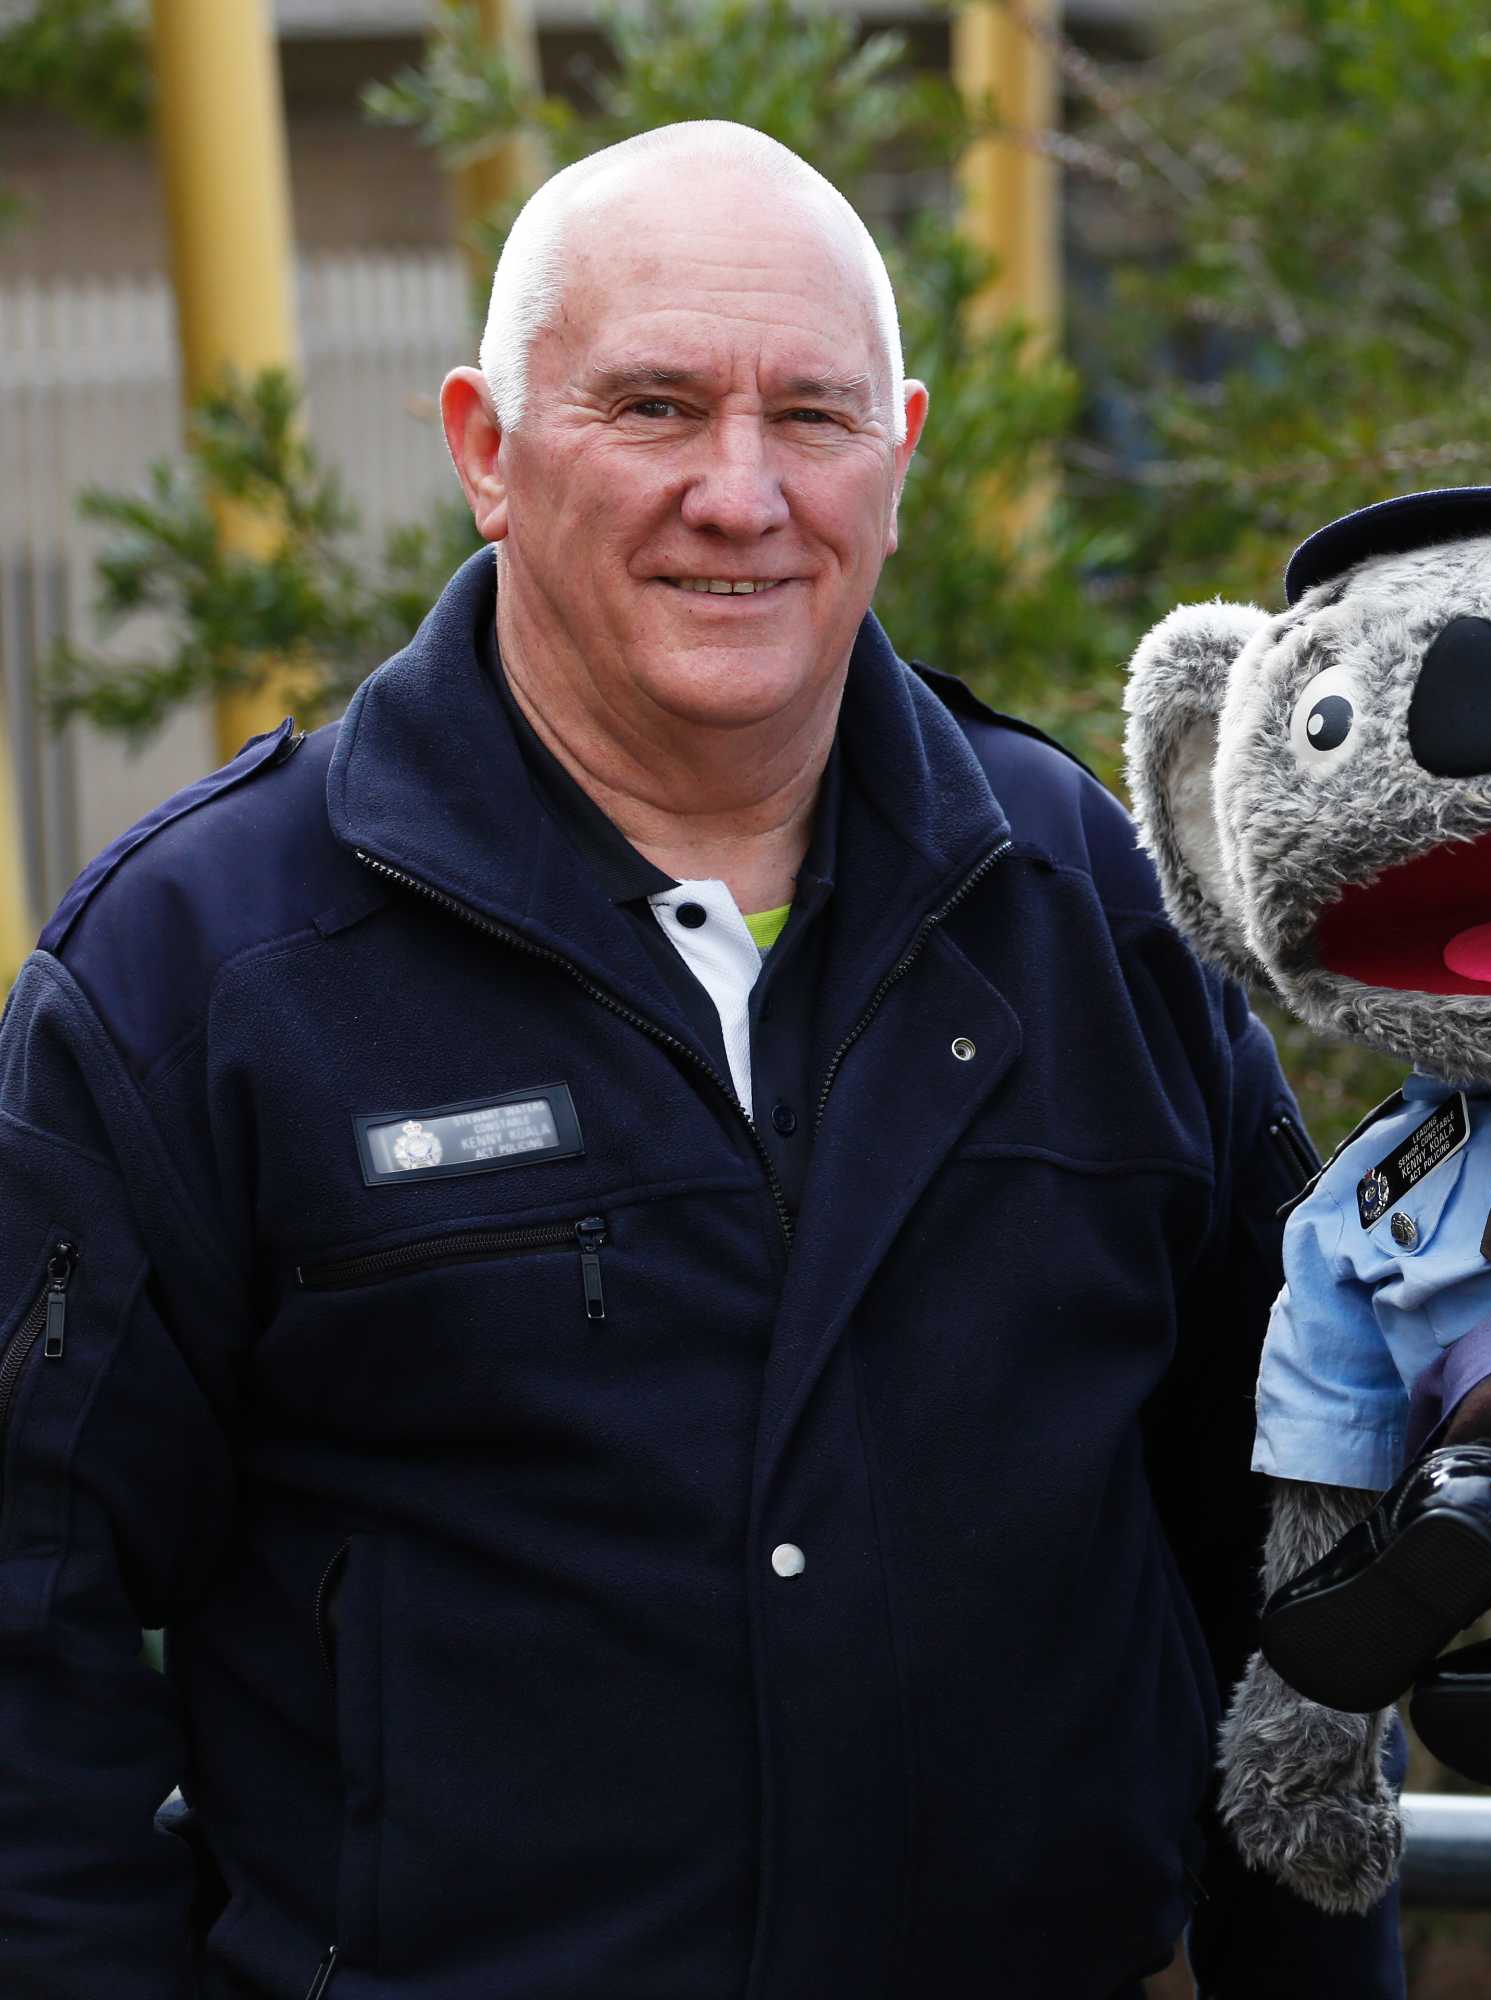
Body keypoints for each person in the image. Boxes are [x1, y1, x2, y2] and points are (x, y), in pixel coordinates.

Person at [0, 122, 1398, 2000]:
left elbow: (1283, 1539)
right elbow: (28, 1644)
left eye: (808, 418)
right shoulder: (202, 973)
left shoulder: (1087, 907)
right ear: (486, 451)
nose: (740, 496)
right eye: (654, 406)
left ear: (897, 458)